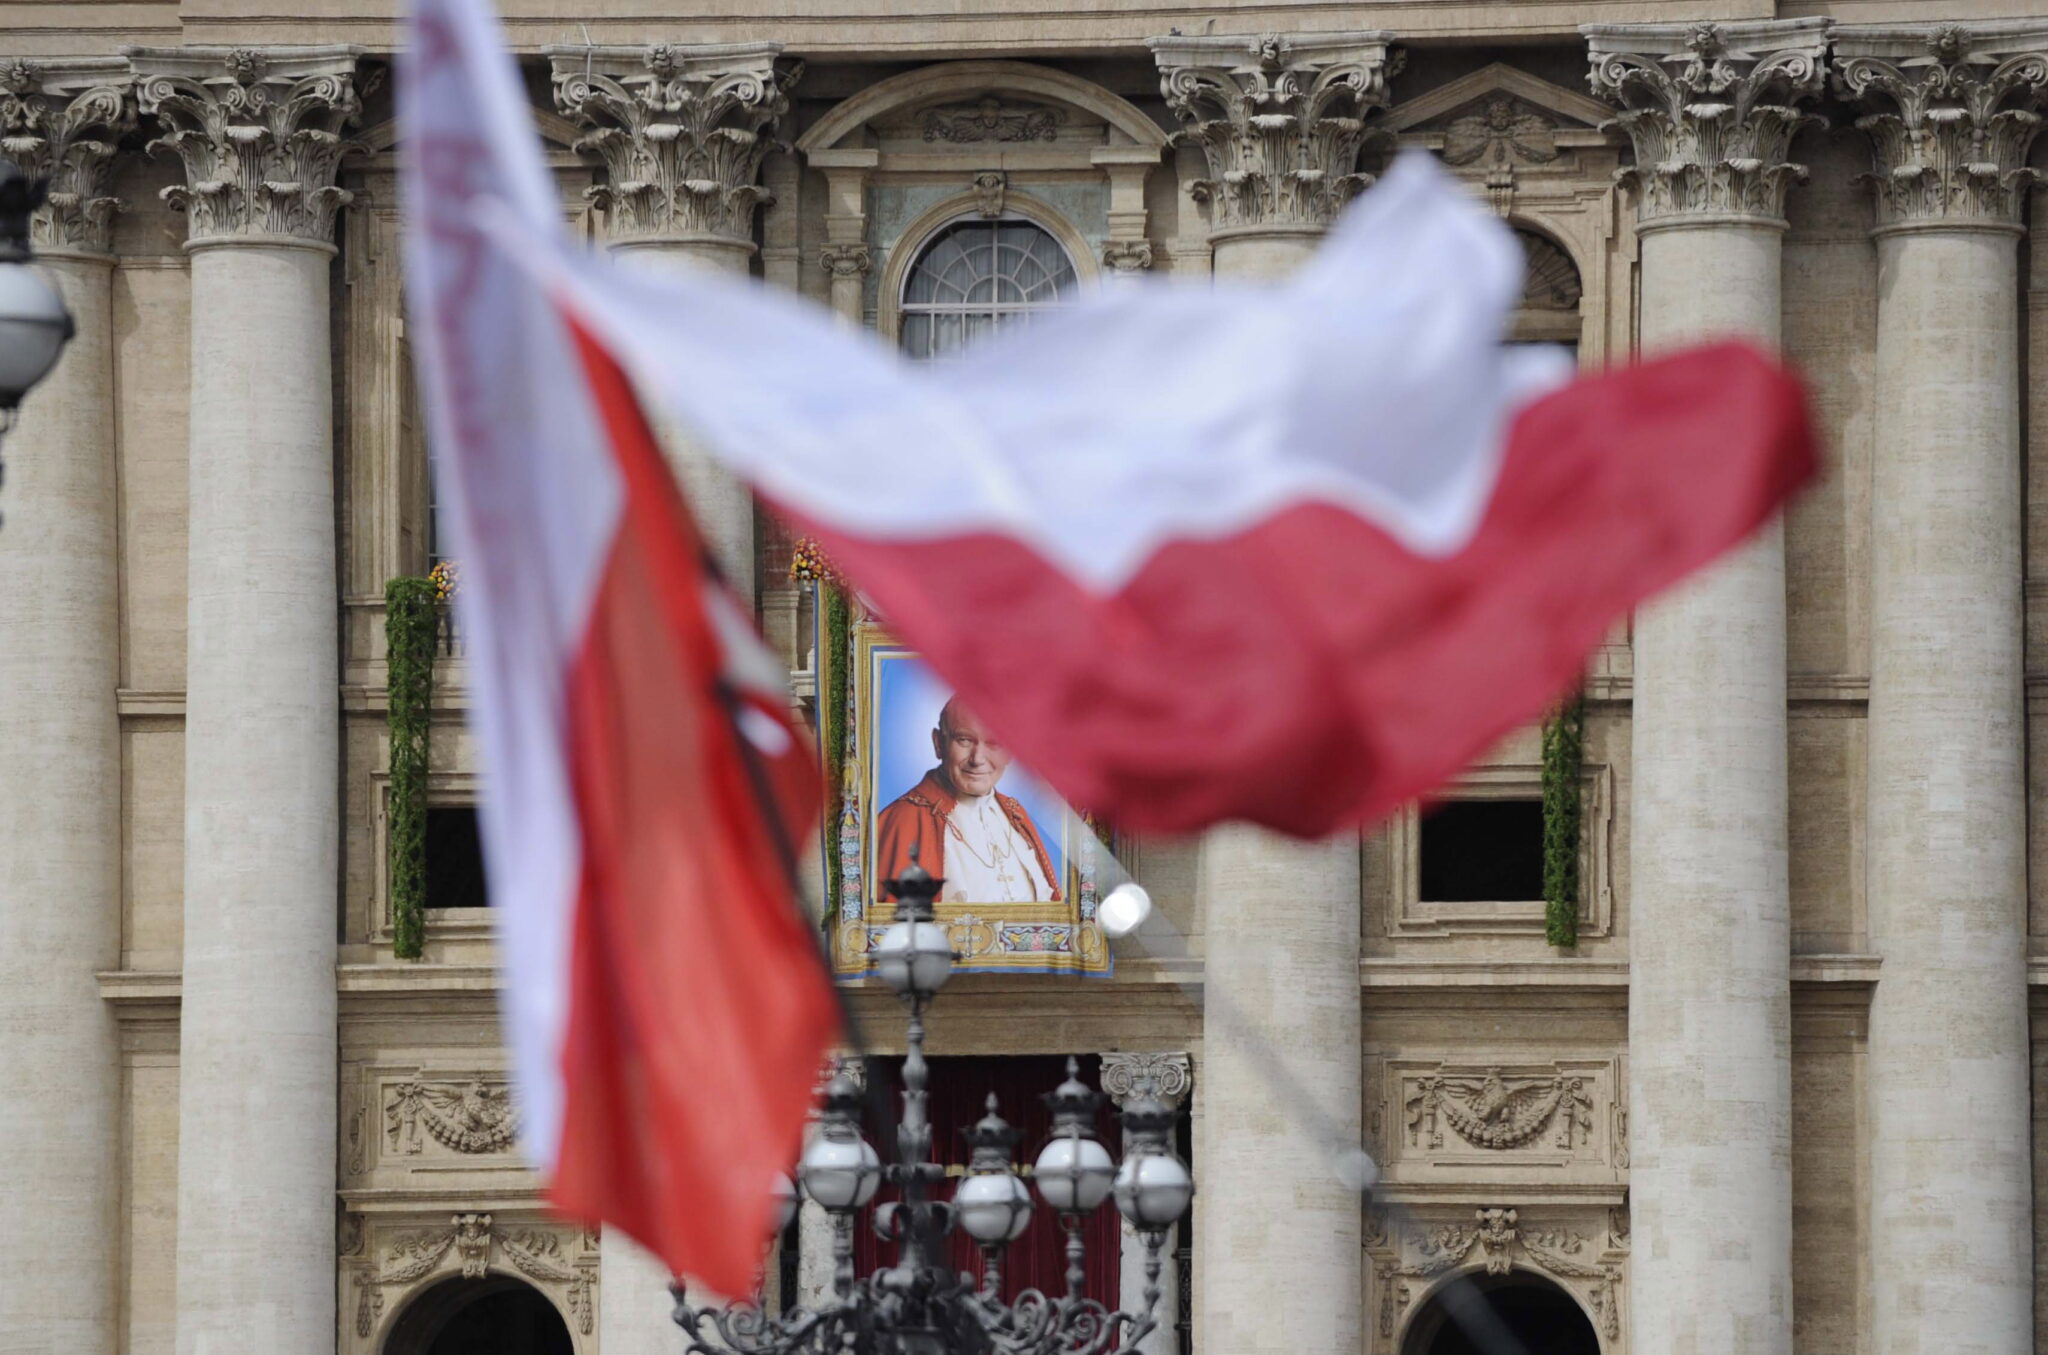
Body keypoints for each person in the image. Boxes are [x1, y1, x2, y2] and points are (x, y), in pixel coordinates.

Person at [874, 698, 1062, 903]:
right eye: (964, 740)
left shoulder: (1014, 812)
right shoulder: (902, 820)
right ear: (938, 743)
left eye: (994, 742)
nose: (978, 759)